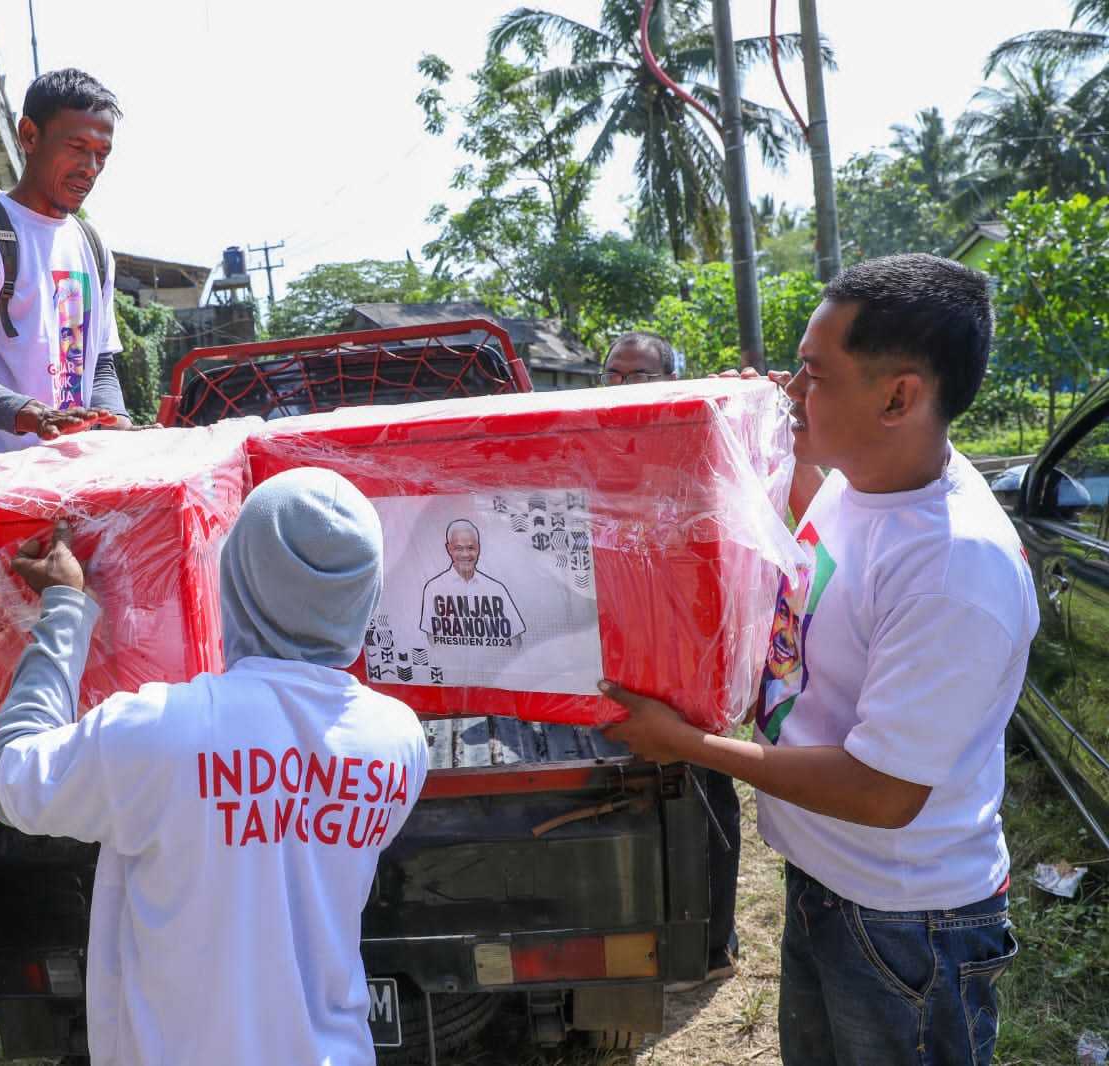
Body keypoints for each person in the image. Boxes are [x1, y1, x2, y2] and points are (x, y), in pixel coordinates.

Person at [602, 254, 1036, 1066]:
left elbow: (882, 791)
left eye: (811, 374)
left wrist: (689, 744)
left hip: (904, 923)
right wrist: (760, 437)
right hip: (830, 882)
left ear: (898, 397)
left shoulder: (954, 569)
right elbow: (809, 538)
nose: (790, 393)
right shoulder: (866, 479)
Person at [0, 469, 430, 1065]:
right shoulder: (399, 740)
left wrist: (65, 610)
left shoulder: (164, 730)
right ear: (366, 596)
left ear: (238, 580)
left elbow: (9, 775)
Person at [600, 329, 742, 992]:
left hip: (689, 647)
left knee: (703, 784)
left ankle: (712, 943)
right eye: (615, 374)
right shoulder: (590, 441)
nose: (625, 386)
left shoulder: (698, 437)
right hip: (619, 644)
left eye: (640, 373)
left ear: (670, 377)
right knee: (634, 794)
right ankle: (657, 932)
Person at [0, 68, 134, 456]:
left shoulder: (94, 247)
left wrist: (116, 419)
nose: (90, 167)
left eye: (101, 154)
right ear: (29, 136)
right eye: (77, 147)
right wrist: (30, 414)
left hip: (74, 480)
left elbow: (98, 362)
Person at [418, 518, 526, 646]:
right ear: (449, 549)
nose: (465, 554)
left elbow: (515, 640)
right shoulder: (433, 588)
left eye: (470, 547)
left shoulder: (497, 589)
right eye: (458, 548)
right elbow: (432, 639)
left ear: (478, 548)